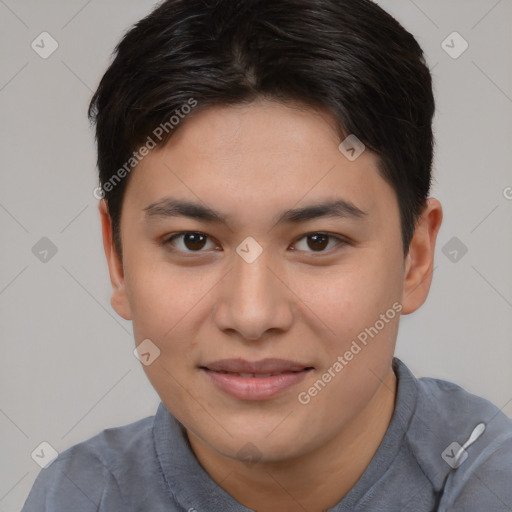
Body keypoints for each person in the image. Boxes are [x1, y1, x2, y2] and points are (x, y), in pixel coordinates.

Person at [21, 0, 512, 510]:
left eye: (317, 241)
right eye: (192, 240)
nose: (252, 316)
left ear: (415, 257)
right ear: (117, 259)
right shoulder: (77, 495)